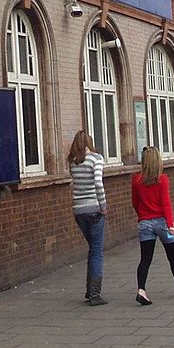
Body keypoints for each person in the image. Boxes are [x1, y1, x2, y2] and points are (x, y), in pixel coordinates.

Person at [132, 146, 174, 305]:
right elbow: (166, 203)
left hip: (145, 223)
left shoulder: (136, 180)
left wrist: (142, 216)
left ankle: (141, 291)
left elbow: (135, 203)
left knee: (145, 259)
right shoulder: (162, 179)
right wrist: (170, 224)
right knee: (173, 256)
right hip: (162, 223)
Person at [68, 130, 108, 306]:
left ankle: (88, 290)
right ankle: (94, 294)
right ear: (89, 142)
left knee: (92, 248)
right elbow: (98, 183)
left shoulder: (73, 162)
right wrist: (103, 206)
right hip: (94, 210)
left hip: (78, 211)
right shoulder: (96, 159)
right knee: (97, 251)